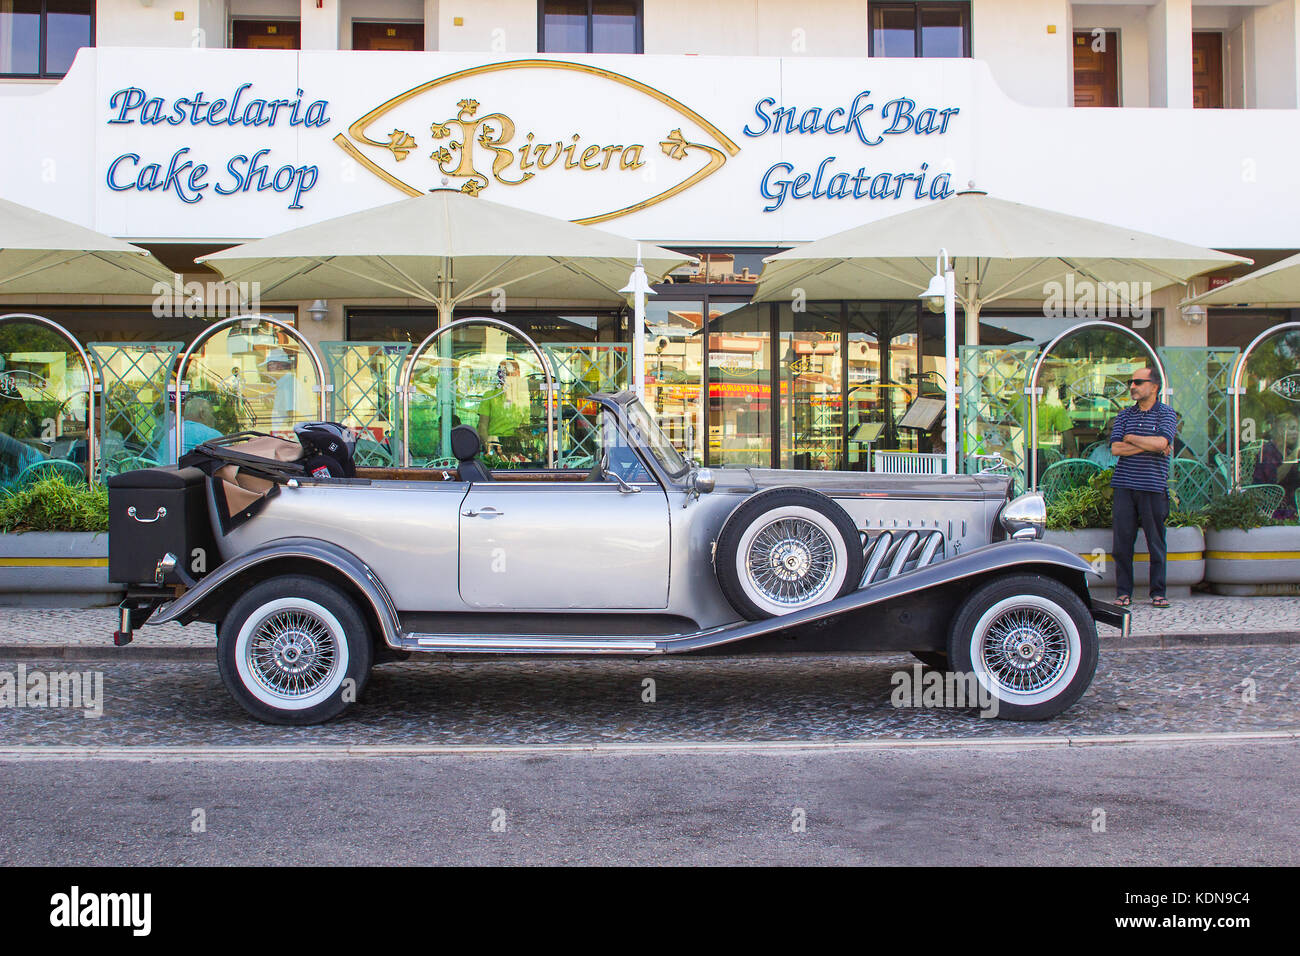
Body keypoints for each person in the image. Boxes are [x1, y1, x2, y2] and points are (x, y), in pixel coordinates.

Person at [1109, 368, 1177, 608]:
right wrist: (1151, 445)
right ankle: (1123, 592)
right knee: (1122, 543)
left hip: (1153, 486)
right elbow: (1116, 449)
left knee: (1156, 542)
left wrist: (1132, 438)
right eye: (1131, 382)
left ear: (1154, 387)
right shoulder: (1125, 415)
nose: (1132, 386)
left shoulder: (1167, 414)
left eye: (1138, 382)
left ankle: (1158, 593)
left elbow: (1162, 442)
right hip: (1125, 485)